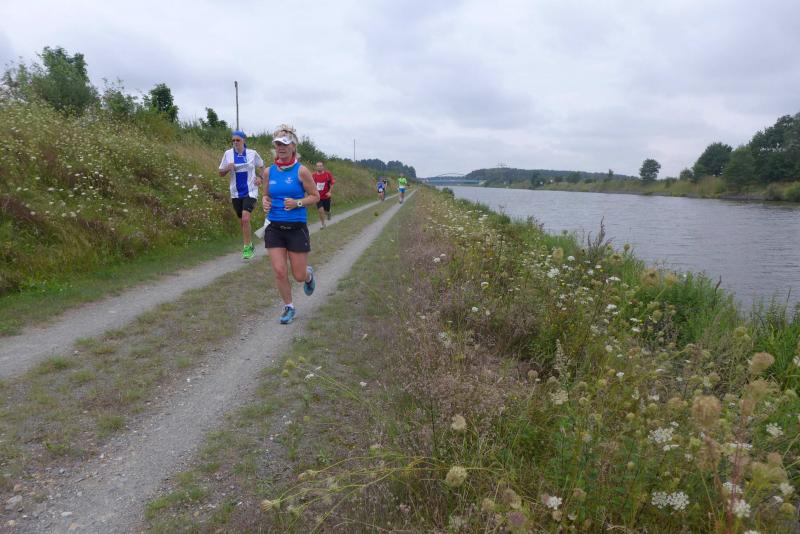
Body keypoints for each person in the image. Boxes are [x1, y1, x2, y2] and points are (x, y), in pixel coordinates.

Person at [261, 125, 320, 324]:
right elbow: (266, 195)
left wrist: (297, 203)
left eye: (285, 144)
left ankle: (308, 275)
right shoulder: (268, 172)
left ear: (293, 146)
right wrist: (265, 202)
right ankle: (289, 307)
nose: (281, 147)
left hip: (296, 228)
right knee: (279, 271)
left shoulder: (301, 171)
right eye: (278, 144)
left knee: (299, 276)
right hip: (274, 227)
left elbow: (315, 196)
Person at [219, 130, 264, 260]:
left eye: (238, 140)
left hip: (251, 191)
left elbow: (262, 166)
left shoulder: (252, 153)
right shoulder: (228, 154)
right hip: (235, 193)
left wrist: (260, 178)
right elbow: (220, 173)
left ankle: (246, 248)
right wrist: (227, 168)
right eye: (233, 140)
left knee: (245, 218)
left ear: (243, 140)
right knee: (242, 221)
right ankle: (250, 243)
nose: (235, 142)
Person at [312, 161, 335, 229]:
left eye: (320, 166)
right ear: (316, 167)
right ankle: (323, 224)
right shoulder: (313, 175)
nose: (319, 167)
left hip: (326, 196)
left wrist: (330, 192)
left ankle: (329, 213)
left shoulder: (327, 174)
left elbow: (332, 184)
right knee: (320, 211)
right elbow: (311, 185)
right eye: (318, 166)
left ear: (323, 167)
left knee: (326, 210)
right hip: (318, 197)